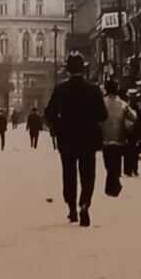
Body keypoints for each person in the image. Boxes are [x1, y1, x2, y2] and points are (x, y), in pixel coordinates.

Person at [44, 52, 107, 227]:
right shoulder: (93, 89)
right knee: (88, 175)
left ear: (68, 69)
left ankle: (71, 207)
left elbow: (49, 113)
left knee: (69, 174)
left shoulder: (60, 89)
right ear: (83, 68)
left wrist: (57, 127)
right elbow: (103, 114)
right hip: (88, 139)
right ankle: (85, 203)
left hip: (67, 139)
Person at [100, 80, 137, 197]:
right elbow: (134, 117)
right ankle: (113, 186)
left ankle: (112, 186)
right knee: (115, 163)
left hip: (105, 139)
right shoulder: (123, 104)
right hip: (119, 138)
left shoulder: (101, 103)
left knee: (108, 164)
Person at [124, 90, 141, 177]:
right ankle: (129, 169)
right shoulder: (127, 107)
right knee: (130, 151)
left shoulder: (135, 108)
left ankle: (132, 169)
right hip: (129, 132)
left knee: (133, 152)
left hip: (133, 132)